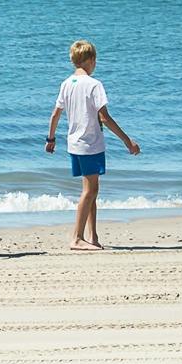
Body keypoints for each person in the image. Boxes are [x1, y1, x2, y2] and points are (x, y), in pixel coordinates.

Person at [45, 40, 138, 249]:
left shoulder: (66, 83)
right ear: (90, 61)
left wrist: (51, 139)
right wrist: (127, 141)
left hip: (74, 143)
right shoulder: (94, 85)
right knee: (90, 191)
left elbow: (55, 114)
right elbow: (104, 118)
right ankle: (77, 238)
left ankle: (92, 236)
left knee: (91, 190)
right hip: (90, 144)